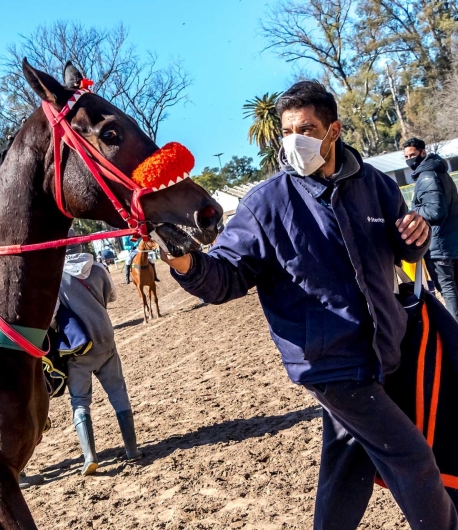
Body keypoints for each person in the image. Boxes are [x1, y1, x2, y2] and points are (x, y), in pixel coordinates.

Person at [162, 81, 457, 529]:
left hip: (385, 352)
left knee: (346, 469)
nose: (293, 140)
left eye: (306, 128)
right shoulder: (266, 203)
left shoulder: (374, 184)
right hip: (331, 365)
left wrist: (413, 240)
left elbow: (403, 253)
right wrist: (185, 261)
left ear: (333, 130)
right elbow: (225, 278)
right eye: (286, 131)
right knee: (414, 460)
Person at [59, 235, 142, 475]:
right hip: (105, 338)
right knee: (118, 392)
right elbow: (112, 297)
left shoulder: (57, 276)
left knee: (80, 402)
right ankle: (132, 449)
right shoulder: (98, 267)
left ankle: (89, 458)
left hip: (78, 347)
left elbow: (54, 312)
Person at [405, 137, 458, 319]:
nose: (409, 159)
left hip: (439, 248)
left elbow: (435, 211)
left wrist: (412, 211)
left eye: (413, 155)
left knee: (449, 294)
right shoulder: (439, 172)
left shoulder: (427, 176)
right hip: (450, 244)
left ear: (423, 152)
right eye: (406, 156)